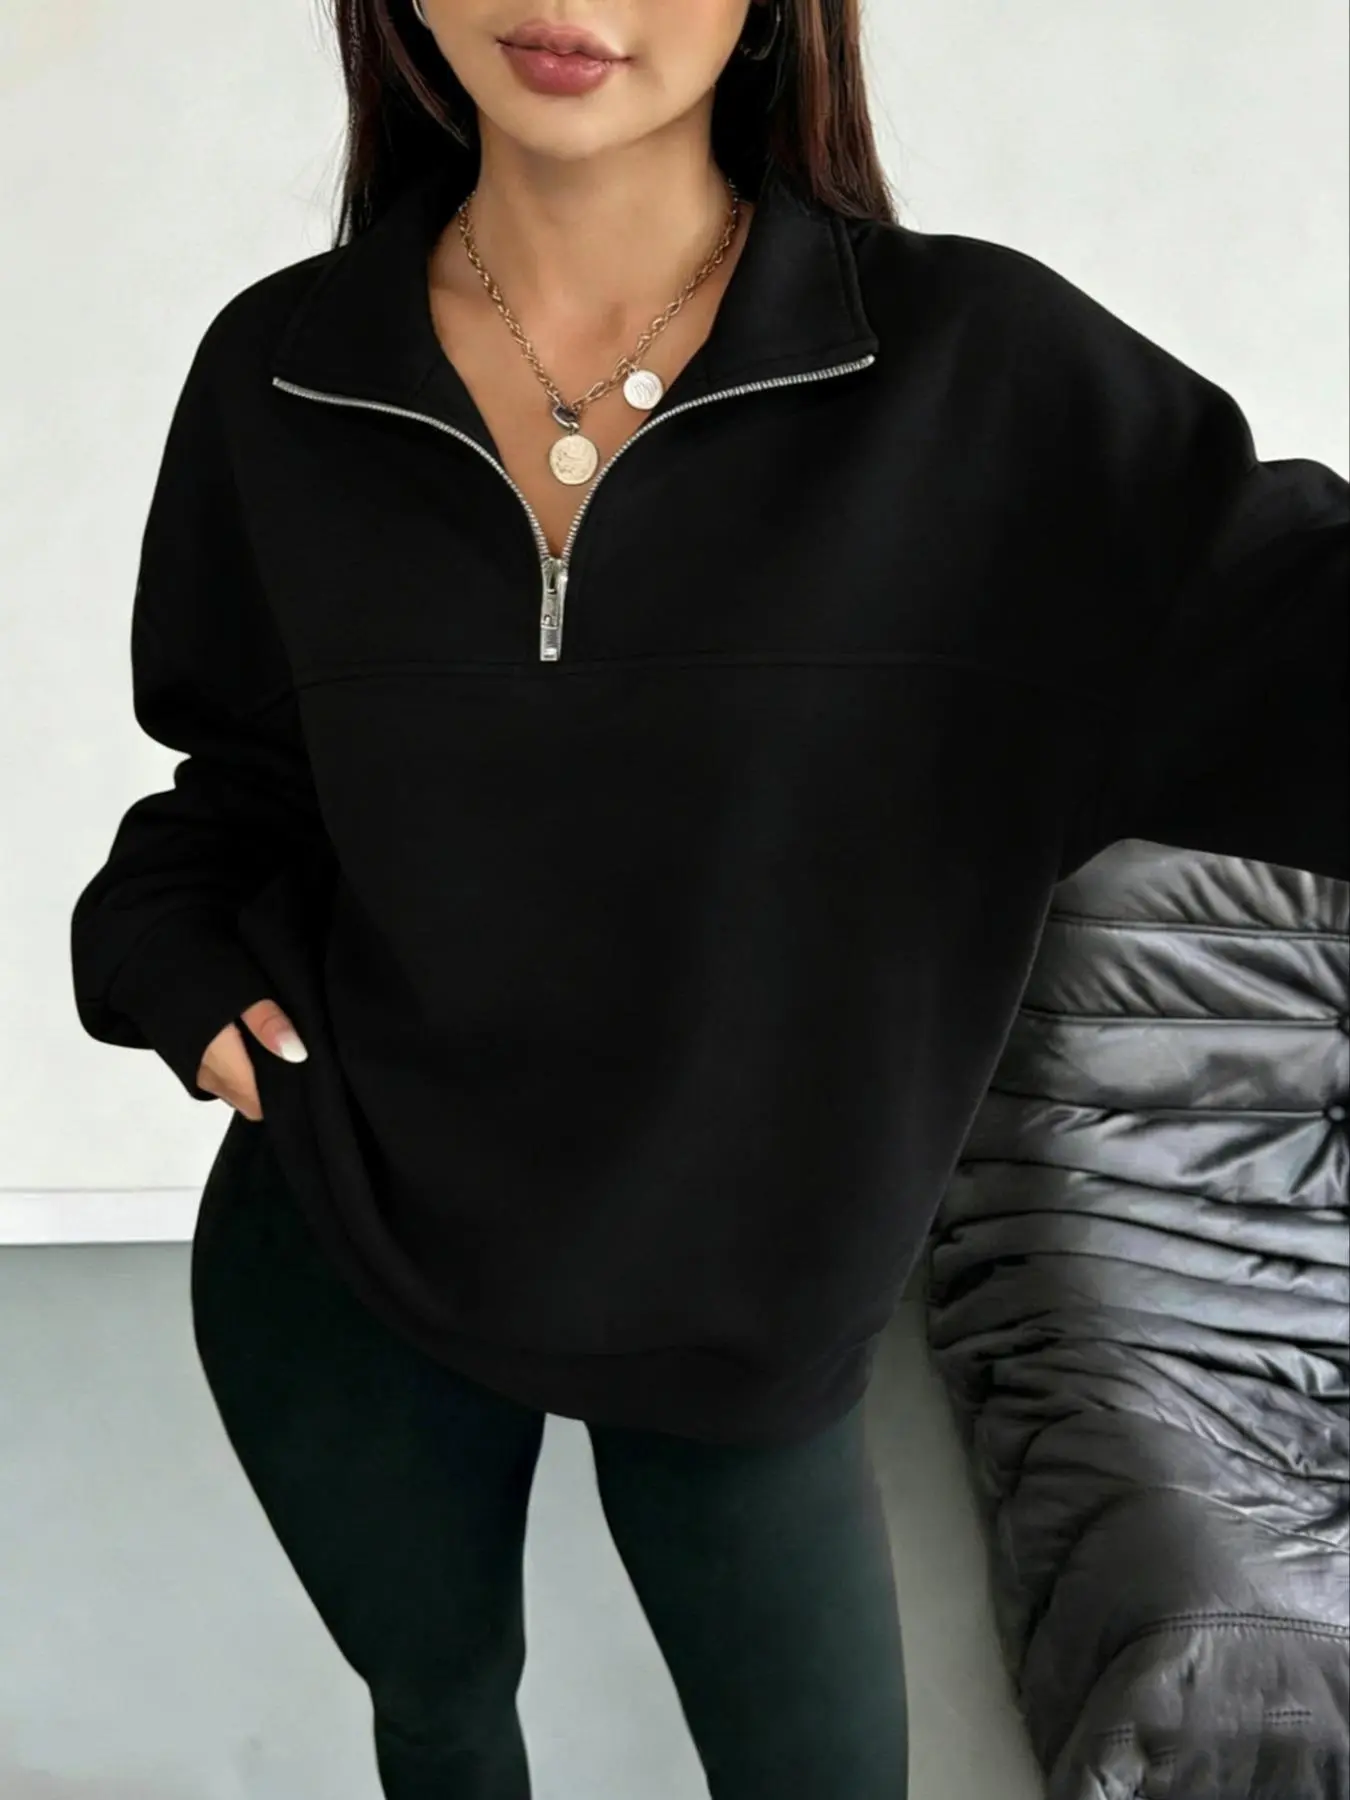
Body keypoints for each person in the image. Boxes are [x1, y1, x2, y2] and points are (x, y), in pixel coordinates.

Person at [68, 2, 1348, 1797]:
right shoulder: (282, 371)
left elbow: (1289, 658)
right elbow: (242, 779)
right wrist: (169, 956)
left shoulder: (977, 377)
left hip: (747, 1308)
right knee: (439, 1720)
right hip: (343, 1234)